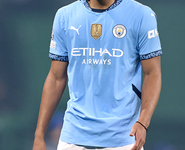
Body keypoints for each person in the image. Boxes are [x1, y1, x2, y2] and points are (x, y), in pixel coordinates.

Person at [32, 0, 162, 150]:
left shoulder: (141, 15)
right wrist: (39, 136)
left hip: (123, 138)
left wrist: (143, 123)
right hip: (73, 137)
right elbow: (56, 78)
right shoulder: (65, 16)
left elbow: (152, 73)